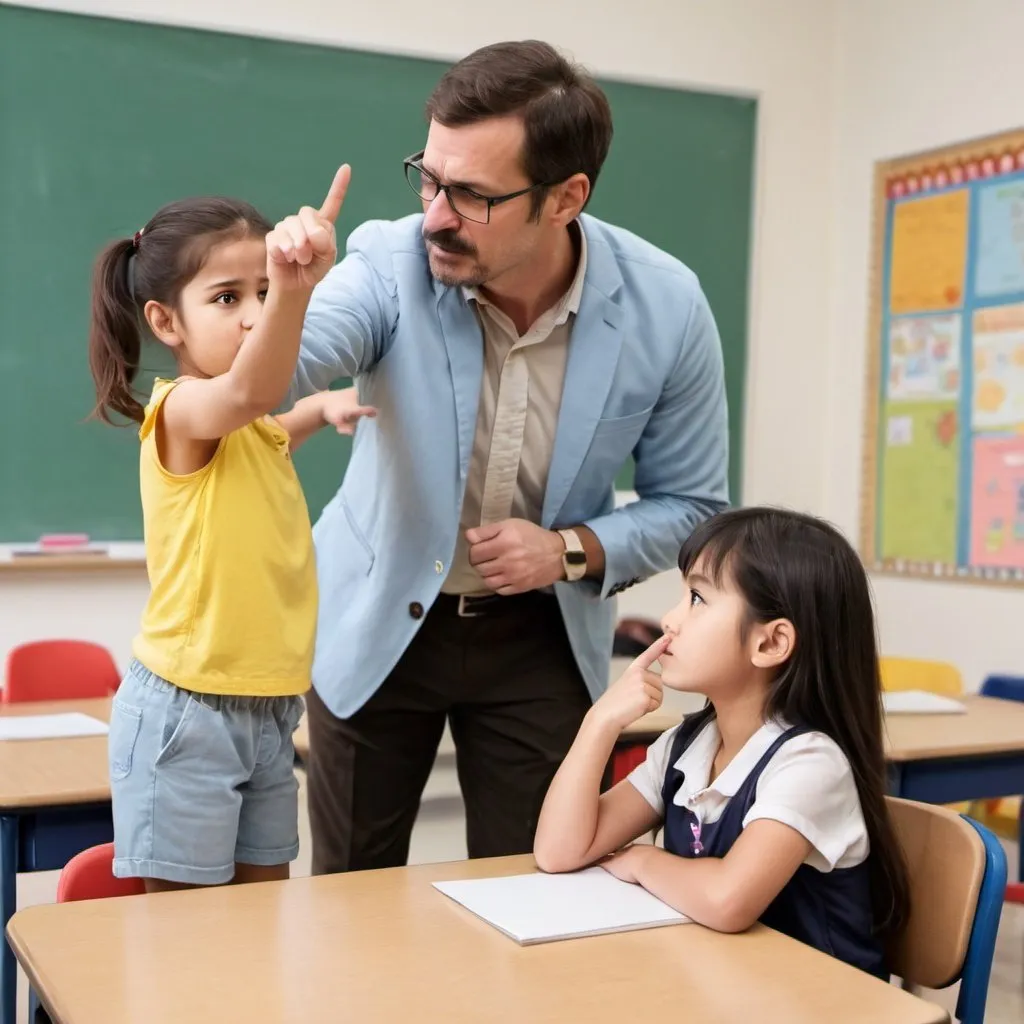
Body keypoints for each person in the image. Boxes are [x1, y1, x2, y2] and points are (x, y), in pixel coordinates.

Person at [288, 39, 730, 874]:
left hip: (541, 633)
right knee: (350, 889)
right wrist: (286, 294)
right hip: (376, 613)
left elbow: (696, 507)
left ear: (566, 198)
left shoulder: (667, 305)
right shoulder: (388, 261)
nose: (436, 215)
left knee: (536, 884)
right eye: (429, 176)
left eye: (473, 195)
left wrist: (570, 549)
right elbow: (282, 370)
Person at [88, 168, 374, 890]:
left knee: (257, 928)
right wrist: (297, 289)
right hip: (188, 711)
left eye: (263, 294)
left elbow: (272, 425)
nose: (254, 314)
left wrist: (321, 409)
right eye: (227, 297)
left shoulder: (250, 430)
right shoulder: (182, 411)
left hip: (269, 709)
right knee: (187, 948)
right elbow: (254, 389)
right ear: (165, 322)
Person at [533, 507, 910, 978]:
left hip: (826, 1004)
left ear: (771, 644)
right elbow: (558, 852)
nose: (669, 620)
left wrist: (644, 859)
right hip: (729, 987)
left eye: (696, 598)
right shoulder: (687, 745)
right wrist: (598, 724)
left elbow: (727, 899)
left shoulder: (810, 763)